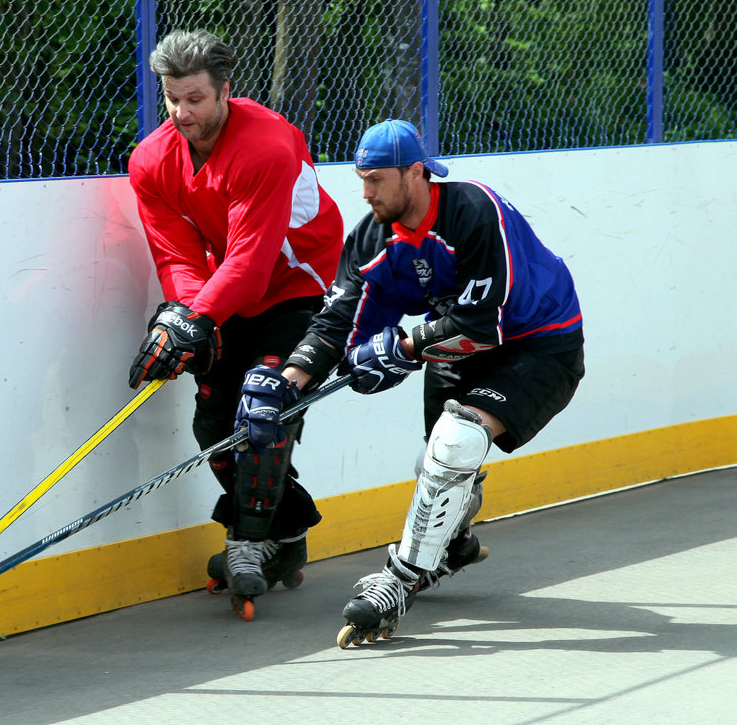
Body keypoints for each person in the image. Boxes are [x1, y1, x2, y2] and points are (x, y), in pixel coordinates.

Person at [235, 118, 584, 644]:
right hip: (456, 347)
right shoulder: (373, 239)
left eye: (377, 179)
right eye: (362, 178)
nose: (366, 191)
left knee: (457, 439)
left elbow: (480, 324)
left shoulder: (473, 211)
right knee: (437, 465)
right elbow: (338, 323)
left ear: (416, 173)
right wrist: (286, 383)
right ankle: (455, 542)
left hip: (541, 344)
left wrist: (399, 348)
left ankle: (399, 579)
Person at [126, 29, 344, 620]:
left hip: (297, 285)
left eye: (195, 98)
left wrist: (196, 318)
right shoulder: (149, 161)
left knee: (263, 407)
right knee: (214, 426)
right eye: (172, 98)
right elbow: (175, 256)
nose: (181, 113)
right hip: (227, 295)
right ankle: (287, 527)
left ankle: (249, 545)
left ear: (226, 90)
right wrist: (182, 320)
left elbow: (251, 264)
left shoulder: (267, 146)